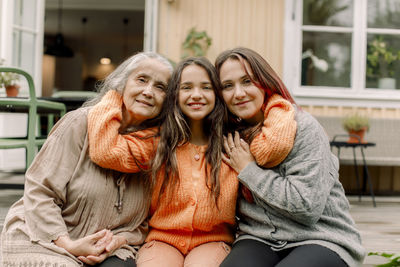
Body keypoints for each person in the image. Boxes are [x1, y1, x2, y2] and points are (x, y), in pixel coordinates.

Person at [87, 56, 296, 267]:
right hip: (162, 240)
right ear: (174, 95)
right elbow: (105, 151)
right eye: (187, 87)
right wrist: (115, 94)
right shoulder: (159, 142)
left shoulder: (232, 143)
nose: (196, 95)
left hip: (213, 241)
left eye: (206, 87)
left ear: (217, 94)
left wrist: (272, 101)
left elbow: (273, 147)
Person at [0, 51, 173, 266]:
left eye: (160, 87)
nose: (148, 92)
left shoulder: (161, 147)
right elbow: (39, 191)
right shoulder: (79, 123)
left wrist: (116, 242)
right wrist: (68, 244)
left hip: (111, 247)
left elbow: (145, 222)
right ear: (123, 84)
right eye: (141, 80)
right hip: (46, 237)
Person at [214, 47, 366, 267]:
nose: (238, 93)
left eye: (247, 81)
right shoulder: (227, 135)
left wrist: (248, 170)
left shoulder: (301, 127)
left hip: (321, 236)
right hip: (259, 237)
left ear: (264, 82)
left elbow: (306, 208)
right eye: (227, 86)